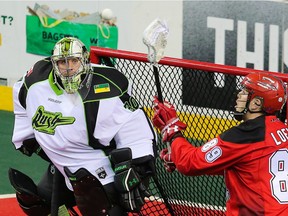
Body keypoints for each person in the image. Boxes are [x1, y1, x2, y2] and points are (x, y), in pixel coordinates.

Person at [10, 37, 157, 216]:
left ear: (85, 60)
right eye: (62, 62)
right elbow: (20, 93)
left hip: (97, 167)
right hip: (61, 167)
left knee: (105, 210)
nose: (69, 67)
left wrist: (138, 167)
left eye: (74, 61)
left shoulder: (108, 84)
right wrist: (26, 136)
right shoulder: (36, 79)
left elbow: (135, 127)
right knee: (36, 203)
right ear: (53, 63)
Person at [152, 72, 288, 215]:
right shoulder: (282, 131)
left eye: (245, 92)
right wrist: (178, 155)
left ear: (256, 103)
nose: (238, 96)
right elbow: (251, 166)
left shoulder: (244, 135)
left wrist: (172, 130)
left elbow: (189, 163)